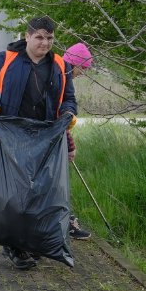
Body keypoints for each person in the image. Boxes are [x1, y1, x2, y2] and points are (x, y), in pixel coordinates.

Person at [0, 16, 78, 270]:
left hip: (43, 138)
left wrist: (68, 115)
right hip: (9, 135)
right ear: (27, 36)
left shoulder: (59, 65)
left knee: (40, 190)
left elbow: (69, 98)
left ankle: (32, 240)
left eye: (50, 38)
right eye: (40, 37)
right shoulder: (6, 59)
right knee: (14, 192)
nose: (45, 43)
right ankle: (13, 245)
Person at [62, 42, 93, 240]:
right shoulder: (61, 78)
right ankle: (67, 223)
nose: (83, 73)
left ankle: (67, 222)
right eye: (83, 68)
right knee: (56, 185)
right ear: (74, 63)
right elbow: (59, 119)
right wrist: (70, 147)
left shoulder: (63, 76)